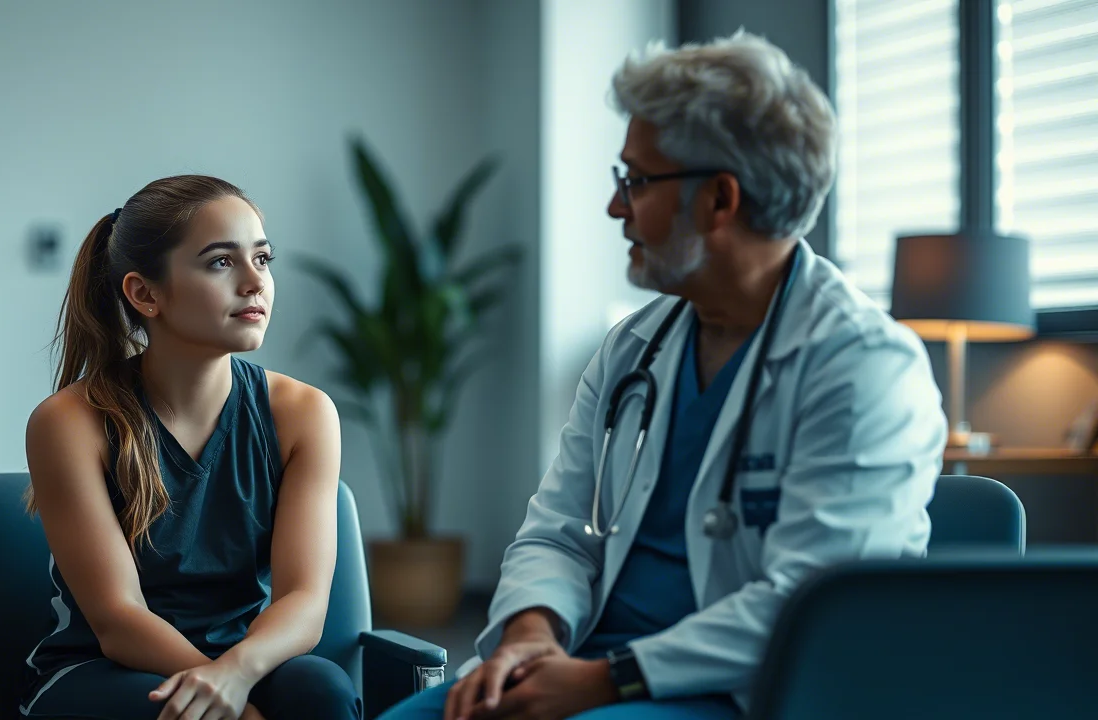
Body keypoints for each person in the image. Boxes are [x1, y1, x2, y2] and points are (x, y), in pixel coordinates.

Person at [380, 31, 946, 720]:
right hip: (587, 664)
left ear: (718, 200)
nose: (617, 208)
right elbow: (558, 527)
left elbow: (812, 603)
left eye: (637, 181)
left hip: (738, 690)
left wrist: (603, 682)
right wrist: (530, 635)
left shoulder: (866, 369)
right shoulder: (635, 351)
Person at [17, 175, 361, 720]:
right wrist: (232, 709)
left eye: (264, 259)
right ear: (145, 294)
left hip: (242, 659)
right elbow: (117, 619)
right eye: (221, 262)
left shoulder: (305, 414)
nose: (255, 283)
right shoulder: (68, 422)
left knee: (321, 692)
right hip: (103, 669)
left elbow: (304, 602)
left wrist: (234, 674)